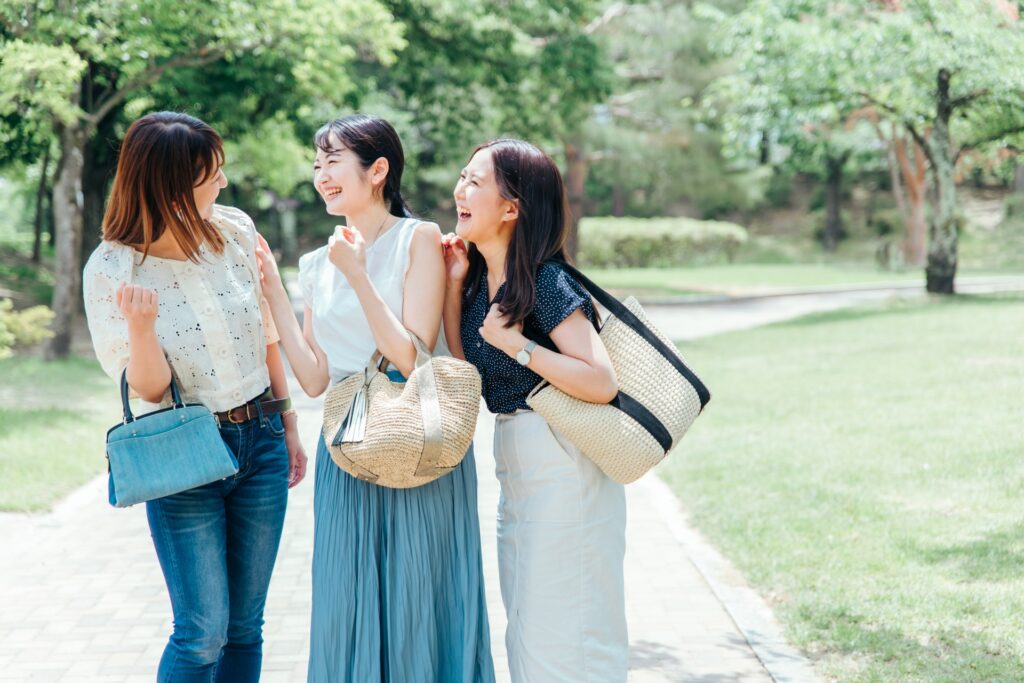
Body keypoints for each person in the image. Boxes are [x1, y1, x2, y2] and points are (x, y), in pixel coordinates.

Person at [254, 114, 495, 682]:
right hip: (348, 444)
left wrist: (359, 276)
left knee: (419, 596)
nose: (322, 175)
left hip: (418, 436)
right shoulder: (317, 263)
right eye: (317, 164)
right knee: (347, 598)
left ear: (378, 169)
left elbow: (411, 356)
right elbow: (314, 378)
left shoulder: (420, 238)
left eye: (334, 160)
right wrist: (274, 291)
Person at [83, 111, 307, 681]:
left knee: (244, 628)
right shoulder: (112, 268)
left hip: (260, 440)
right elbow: (150, 389)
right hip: (185, 455)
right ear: (171, 184)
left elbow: (268, 338)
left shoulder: (233, 232)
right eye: (212, 174)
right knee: (201, 633)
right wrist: (139, 327)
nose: (224, 184)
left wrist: (290, 428)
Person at [441, 138, 629, 682]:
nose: (460, 189)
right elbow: (465, 371)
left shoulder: (546, 281)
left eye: (475, 180)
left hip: (563, 457)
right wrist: (455, 288)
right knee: (527, 623)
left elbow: (600, 380)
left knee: (570, 624)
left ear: (512, 206)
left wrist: (517, 346)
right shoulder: (480, 282)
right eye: (462, 176)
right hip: (517, 461)